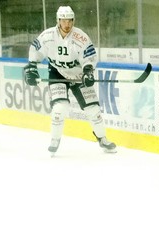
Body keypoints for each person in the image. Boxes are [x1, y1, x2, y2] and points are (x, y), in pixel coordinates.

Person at [24, 6, 116, 154]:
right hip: (57, 73)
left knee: (94, 110)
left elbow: (89, 58)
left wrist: (88, 72)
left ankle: (102, 139)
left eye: (69, 21)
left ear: (73, 21)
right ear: (58, 20)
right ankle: (55, 139)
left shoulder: (81, 37)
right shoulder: (48, 36)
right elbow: (35, 51)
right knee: (60, 108)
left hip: (78, 75)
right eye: (63, 20)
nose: (67, 24)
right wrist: (32, 67)